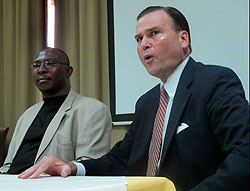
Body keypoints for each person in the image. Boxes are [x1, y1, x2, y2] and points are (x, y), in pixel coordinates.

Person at [18, 6, 249, 191]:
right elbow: (121, 160)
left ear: (184, 39)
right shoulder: (147, 102)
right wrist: (71, 167)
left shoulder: (215, 81)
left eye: (154, 33)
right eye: (138, 39)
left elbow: (244, 153)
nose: (144, 44)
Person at [0, 47, 112, 174]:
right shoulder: (27, 115)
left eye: (49, 63)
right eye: (36, 65)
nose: (41, 70)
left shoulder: (92, 110)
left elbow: (89, 166)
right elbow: (8, 165)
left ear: (68, 71)